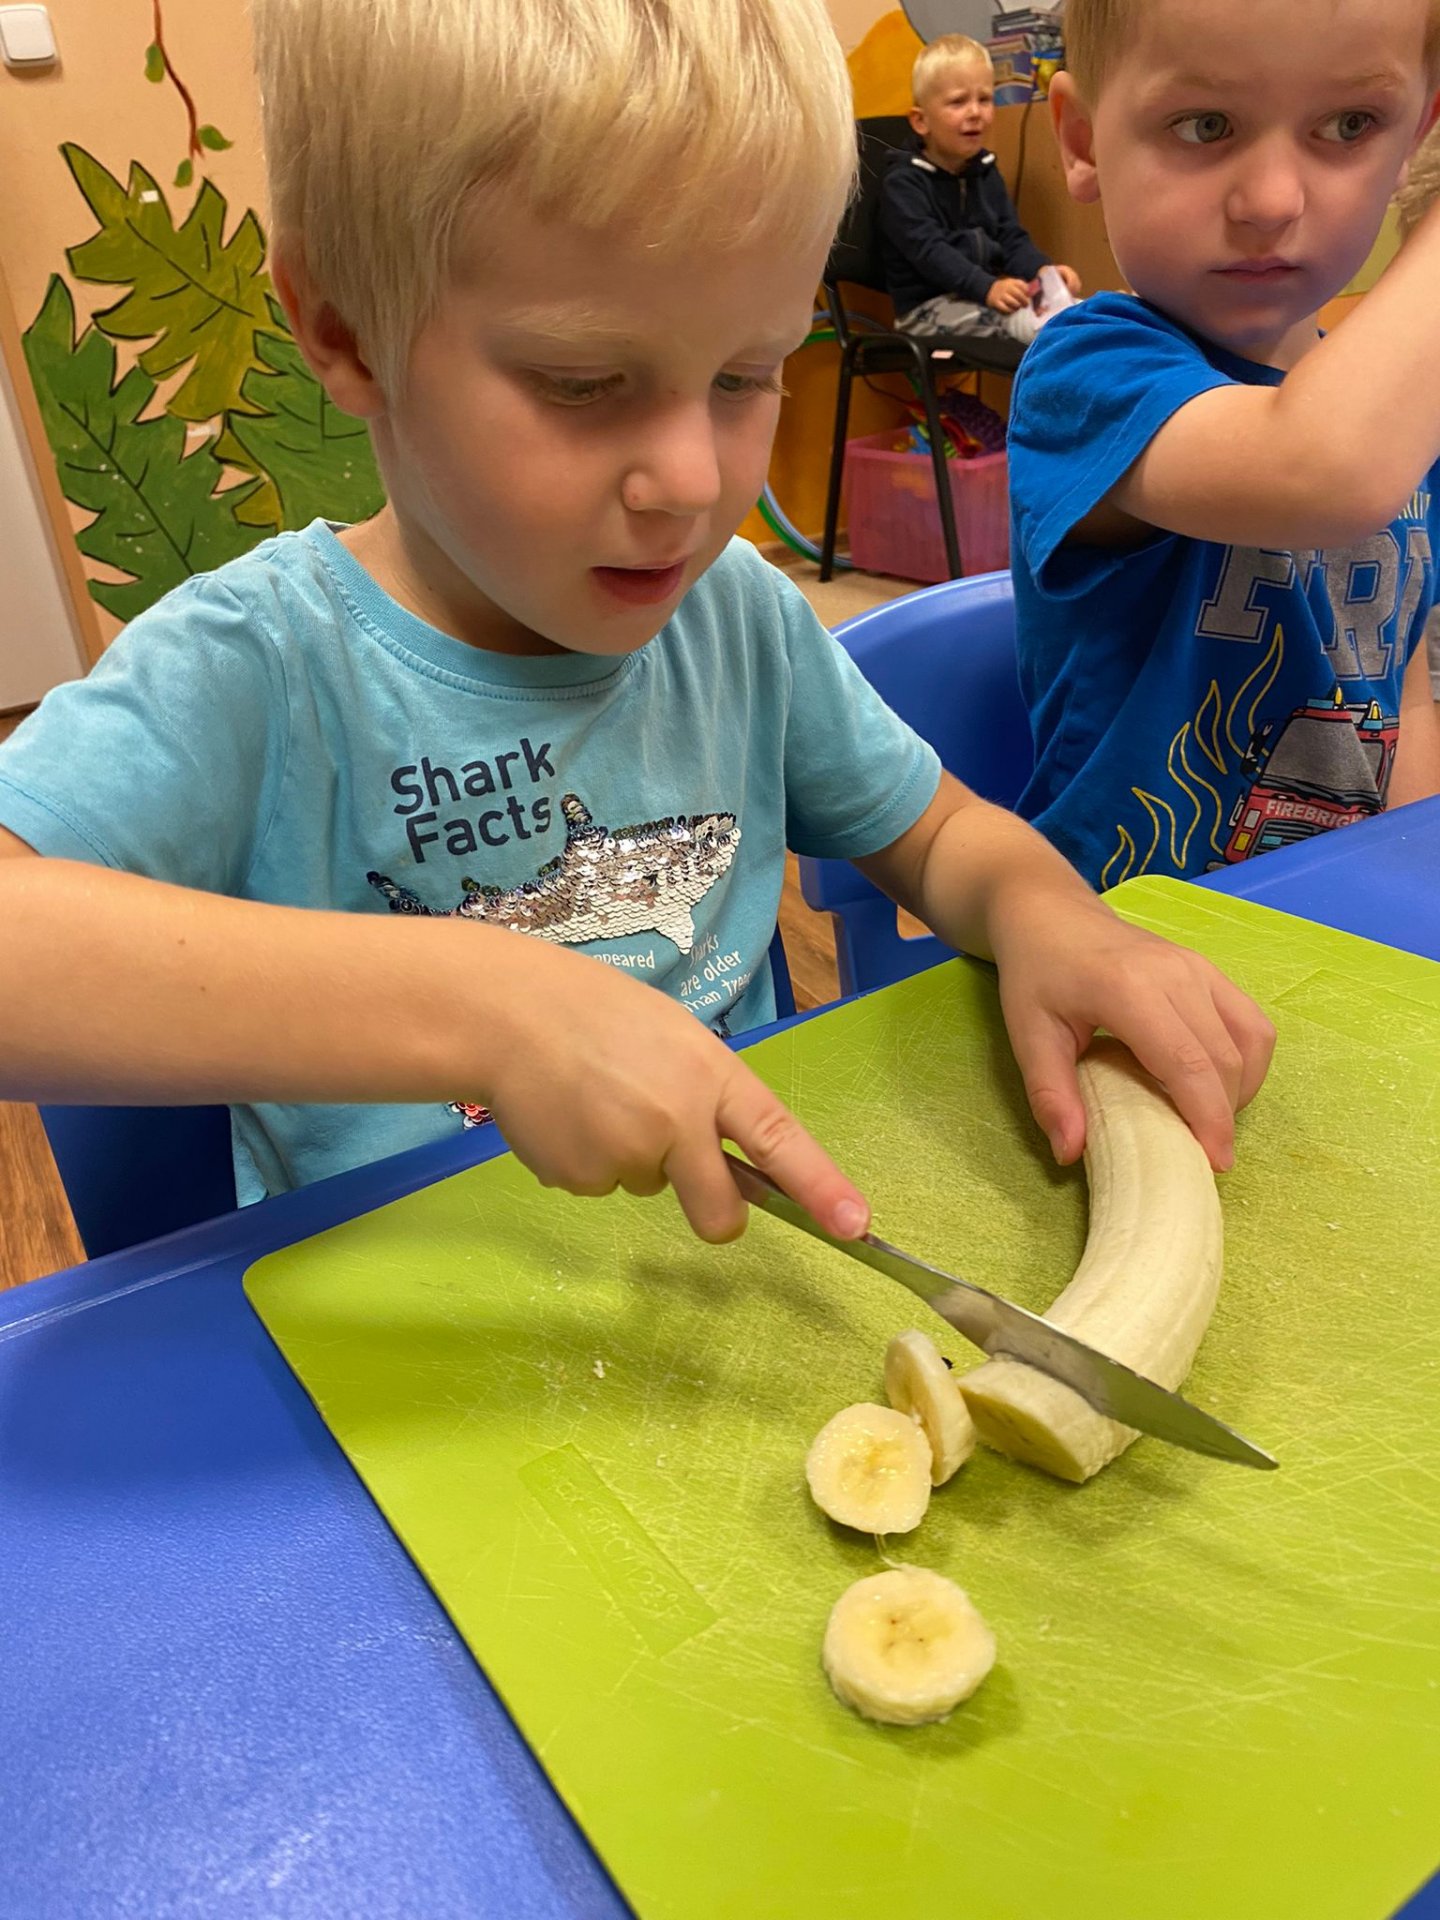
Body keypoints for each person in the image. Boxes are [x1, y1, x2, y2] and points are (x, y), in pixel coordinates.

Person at [0, 0, 1273, 1245]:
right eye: (584, 383)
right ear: (346, 332)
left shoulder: (737, 620)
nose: (690, 481)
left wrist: (1046, 913)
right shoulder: (256, 668)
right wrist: (481, 1006)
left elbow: (939, 835)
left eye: (744, 375)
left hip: (728, 1288)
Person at [1007, 0, 1440, 890]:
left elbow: (1404, 681)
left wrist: (1409, 881)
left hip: (1337, 921)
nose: (1271, 202)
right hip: (1129, 935)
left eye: (1349, 124)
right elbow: (1320, 470)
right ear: (1083, 141)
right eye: (1205, 125)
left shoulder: (1395, 415)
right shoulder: (1086, 370)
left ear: (1415, 138)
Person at [879, 34, 1083, 371]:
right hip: (926, 311)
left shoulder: (985, 171)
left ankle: (1099, 339)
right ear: (920, 121)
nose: (975, 112)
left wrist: (1043, 272)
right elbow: (931, 253)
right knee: (1036, 325)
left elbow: (1011, 237)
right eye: (958, 102)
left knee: (1075, 310)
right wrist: (986, 287)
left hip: (981, 295)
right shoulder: (903, 183)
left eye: (985, 99)